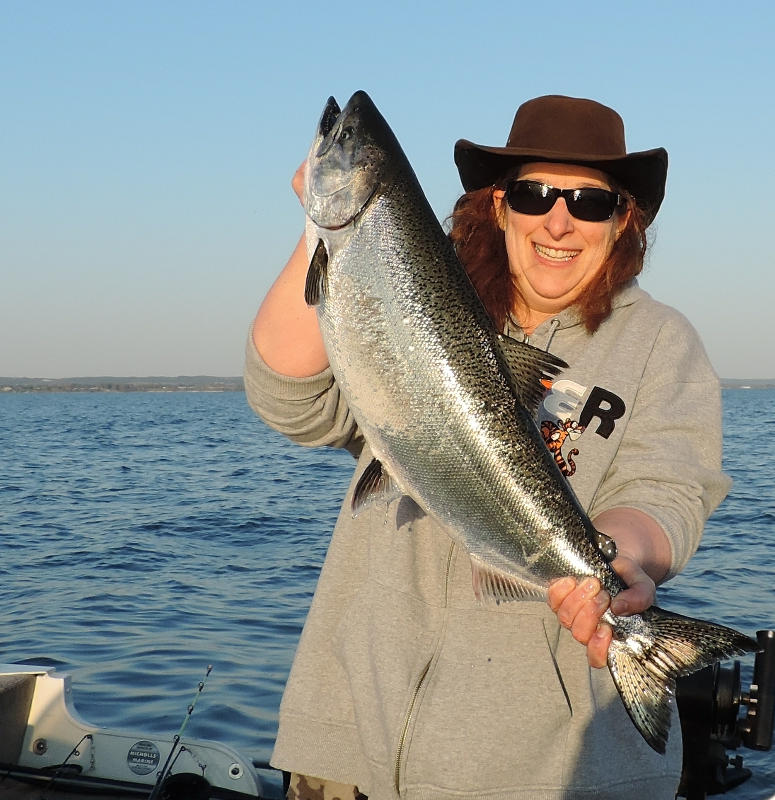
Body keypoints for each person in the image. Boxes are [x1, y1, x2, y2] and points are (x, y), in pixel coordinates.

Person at [246, 95, 731, 800]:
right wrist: (330, 224)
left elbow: (666, 491)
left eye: (590, 202)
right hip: (350, 745)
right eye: (534, 195)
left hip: (547, 776)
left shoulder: (661, 341)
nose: (558, 222)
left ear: (623, 220)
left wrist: (616, 565)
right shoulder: (416, 301)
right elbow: (290, 399)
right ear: (499, 207)